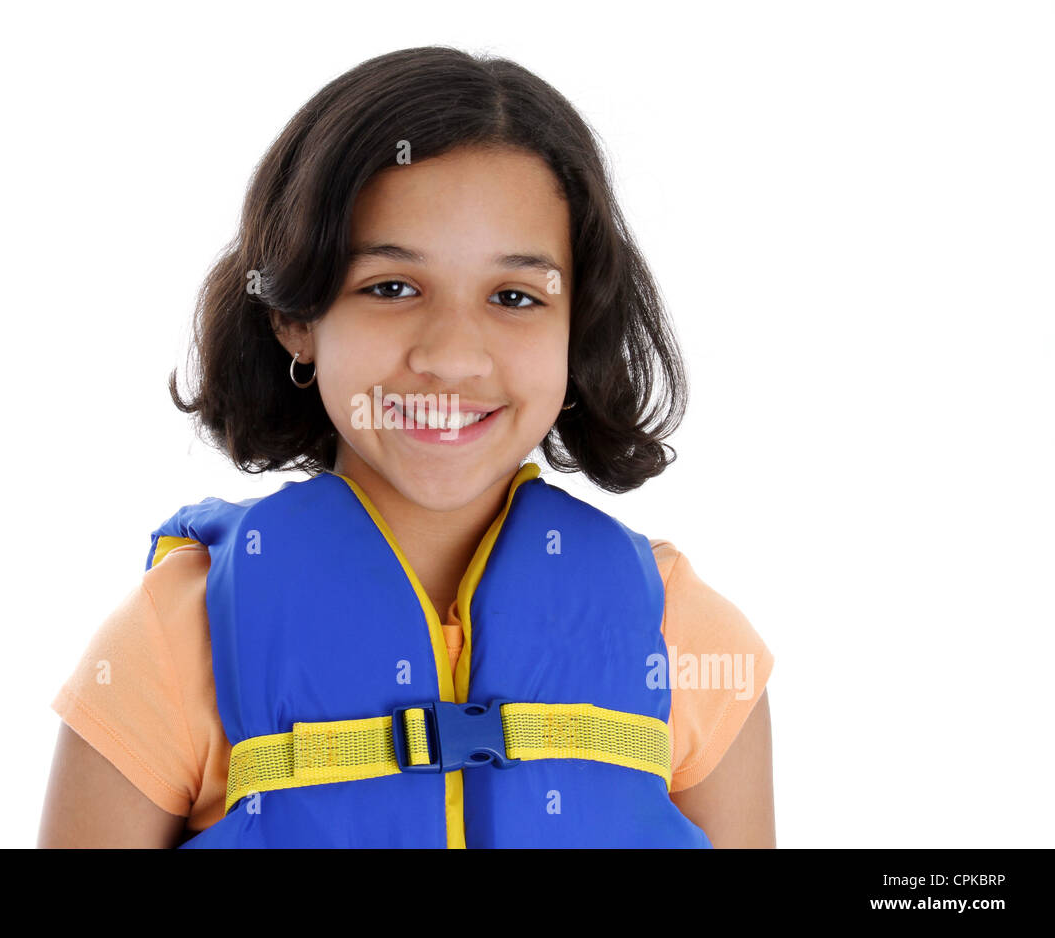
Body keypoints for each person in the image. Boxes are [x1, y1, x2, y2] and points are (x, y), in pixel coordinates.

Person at [38, 46, 774, 848]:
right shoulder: (169, 648)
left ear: (577, 332)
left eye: (515, 296)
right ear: (296, 318)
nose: (454, 355)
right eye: (391, 288)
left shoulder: (689, 640)